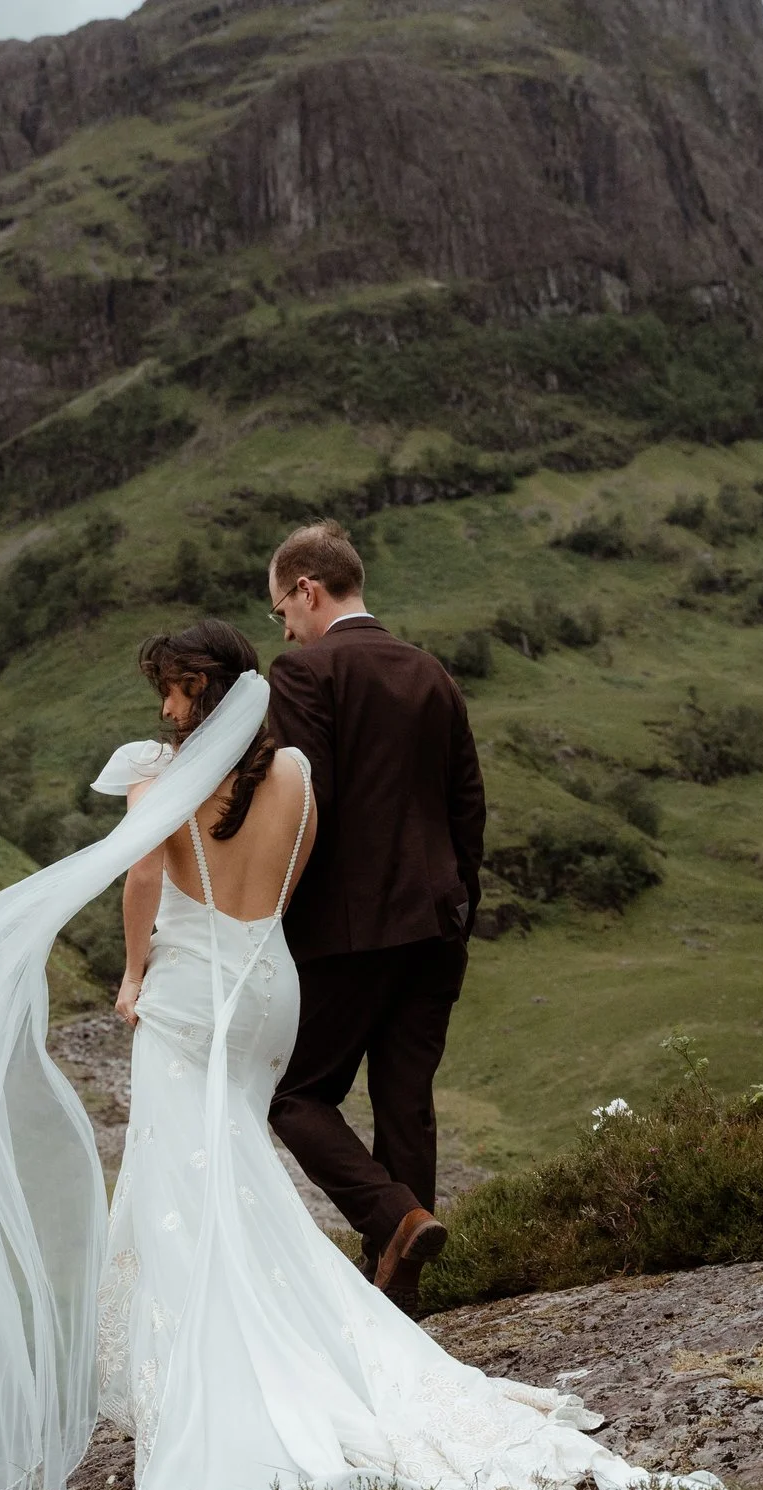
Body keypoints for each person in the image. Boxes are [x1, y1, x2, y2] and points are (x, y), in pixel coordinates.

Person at [0, 618, 715, 1490]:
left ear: (209, 692)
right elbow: (288, 884)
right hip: (271, 988)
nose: (164, 703)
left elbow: (142, 883)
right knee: (233, 1160)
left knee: (176, 1172)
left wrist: (134, 972)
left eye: (176, 687)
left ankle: (210, 1360)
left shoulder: (154, 777)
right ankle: (301, 1321)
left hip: (192, 991)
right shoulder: (297, 776)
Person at [263, 520, 484, 1314]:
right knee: (404, 1097)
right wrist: (460, 911)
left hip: (345, 930)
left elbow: (301, 805)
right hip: (436, 925)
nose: (283, 628)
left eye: (281, 610)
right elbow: (468, 806)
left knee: (291, 1093)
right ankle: (403, 1293)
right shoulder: (432, 673)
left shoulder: (303, 673)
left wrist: (275, 918)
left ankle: (393, 1220)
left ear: (307, 590)